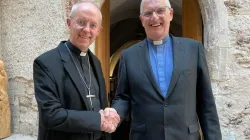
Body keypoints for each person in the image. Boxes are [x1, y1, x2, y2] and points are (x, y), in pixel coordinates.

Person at [104, 0, 222, 139]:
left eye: (160, 11)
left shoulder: (193, 49)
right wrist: (115, 113)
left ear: (170, 14)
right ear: (142, 20)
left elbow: (205, 100)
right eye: (148, 13)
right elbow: (123, 97)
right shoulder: (128, 56)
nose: (154, 17)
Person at [33, 1, 119, 140]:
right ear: (69, 23)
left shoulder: (96, 62)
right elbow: (50, 115)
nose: (86, 29)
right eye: (81, 22)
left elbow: (100, 105)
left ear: (99, 30)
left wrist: (107, 114)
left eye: (93, 25)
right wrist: (97, 119)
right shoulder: (46, 62)